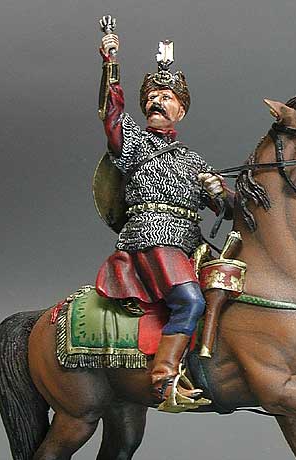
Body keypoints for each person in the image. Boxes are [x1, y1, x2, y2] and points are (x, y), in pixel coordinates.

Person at [95, 33, 233, 405]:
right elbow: (111, 114)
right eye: (152, 97)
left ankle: (210, 369)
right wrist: (110, 63)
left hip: (191, 244)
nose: (157, 101)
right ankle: (164, 380)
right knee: (189, 301)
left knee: (227, 292)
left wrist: (219, 191)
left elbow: (229, 209)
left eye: (167, 97)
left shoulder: (193, 160)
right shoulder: (133, 142)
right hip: (153, 237)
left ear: (181, 111)